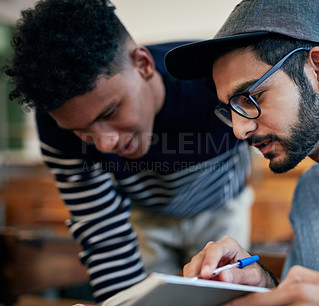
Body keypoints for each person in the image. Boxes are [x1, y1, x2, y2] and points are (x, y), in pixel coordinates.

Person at [3, 0, 254, 303]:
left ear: (143, 65)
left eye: (110, 111)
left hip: (221, 209)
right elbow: (102, 231)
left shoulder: (215, 81)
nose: (105, 144)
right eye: (81, 131)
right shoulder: (57, 123)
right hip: (146, 217)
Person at [165, 0, 319, 305]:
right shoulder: (308, 192)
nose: (238, 130)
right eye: (231, 109)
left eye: (251, 97)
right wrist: (264, 284)